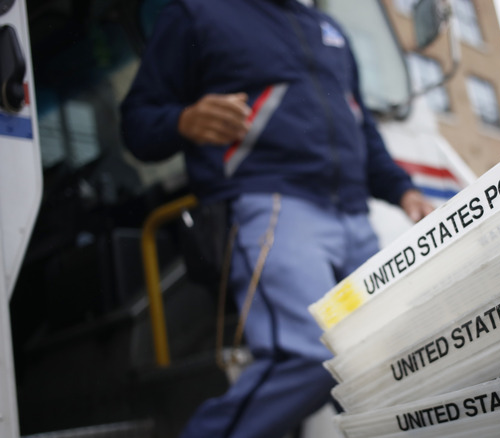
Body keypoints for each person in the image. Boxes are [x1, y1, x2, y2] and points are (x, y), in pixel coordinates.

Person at [120, 0, 434, 436]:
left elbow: (361, 126)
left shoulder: (329, 28)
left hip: (354, 220)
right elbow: (137, 122)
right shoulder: (198, 13)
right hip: (273, 208)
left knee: (389, 353)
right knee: (313, 354)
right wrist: (184, 120)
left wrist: (404, 190)